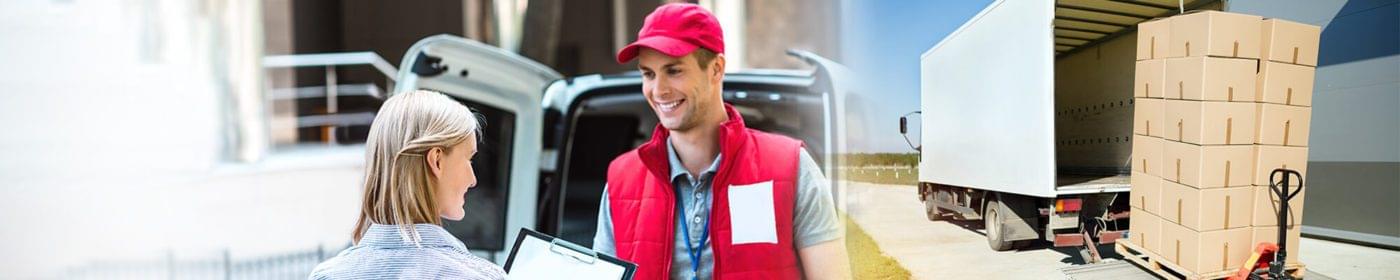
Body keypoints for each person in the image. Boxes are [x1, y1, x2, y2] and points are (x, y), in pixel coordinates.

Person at [592, 3, 851, 280]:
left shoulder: (790, 166)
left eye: (674, 70)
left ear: (716, 69)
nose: (659, 90)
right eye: (648, 74)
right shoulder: (622, 180)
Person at [310, 90, 503, 280]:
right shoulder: (483, 276)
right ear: (437, 161)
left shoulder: (325, 276)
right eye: (469, 159)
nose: (473, 179)